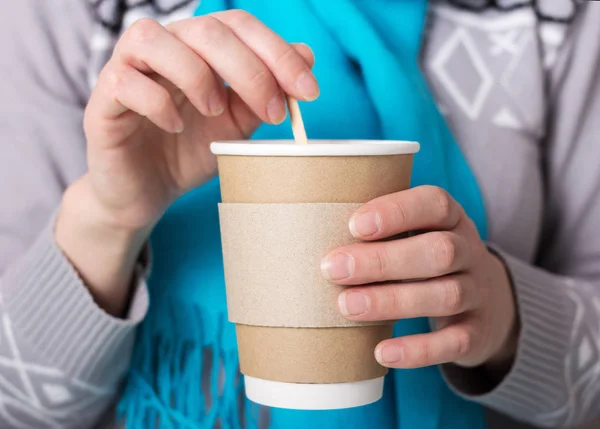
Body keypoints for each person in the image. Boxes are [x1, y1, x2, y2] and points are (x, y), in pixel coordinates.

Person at [0, 0, 598, 428]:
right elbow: (13, 407)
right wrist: (108, 214)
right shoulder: (64, 13)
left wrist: (509, 324)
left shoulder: (555, 17)